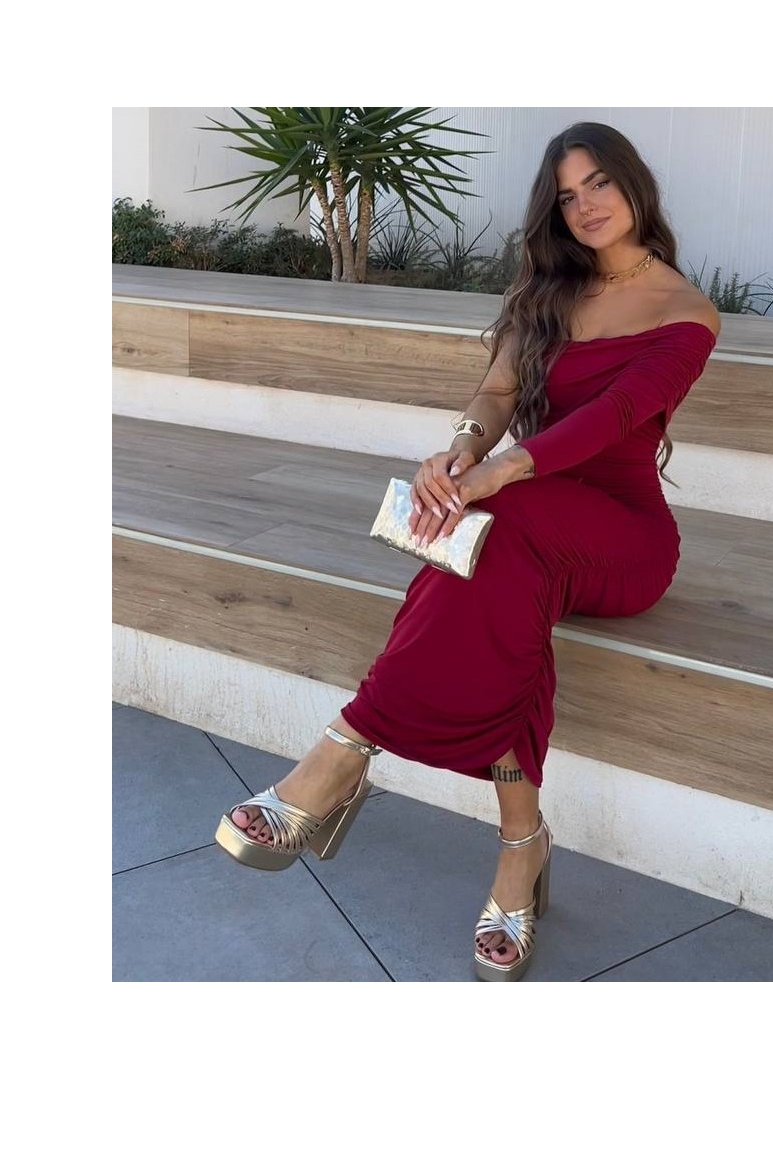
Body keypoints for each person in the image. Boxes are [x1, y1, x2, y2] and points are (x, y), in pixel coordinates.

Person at [214, 121, 721, 981]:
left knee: (493, 542)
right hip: (524, 523)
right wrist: (459, 452)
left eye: (599, 183)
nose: (586, 206)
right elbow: (497, 392)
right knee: (500, 591)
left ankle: (342, 752)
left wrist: (497, 473)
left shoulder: (686, 311)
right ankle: (522, 845)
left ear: (634, 184)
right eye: (567, 195)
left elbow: (614, 419)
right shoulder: (548, 289)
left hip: (624, 540)